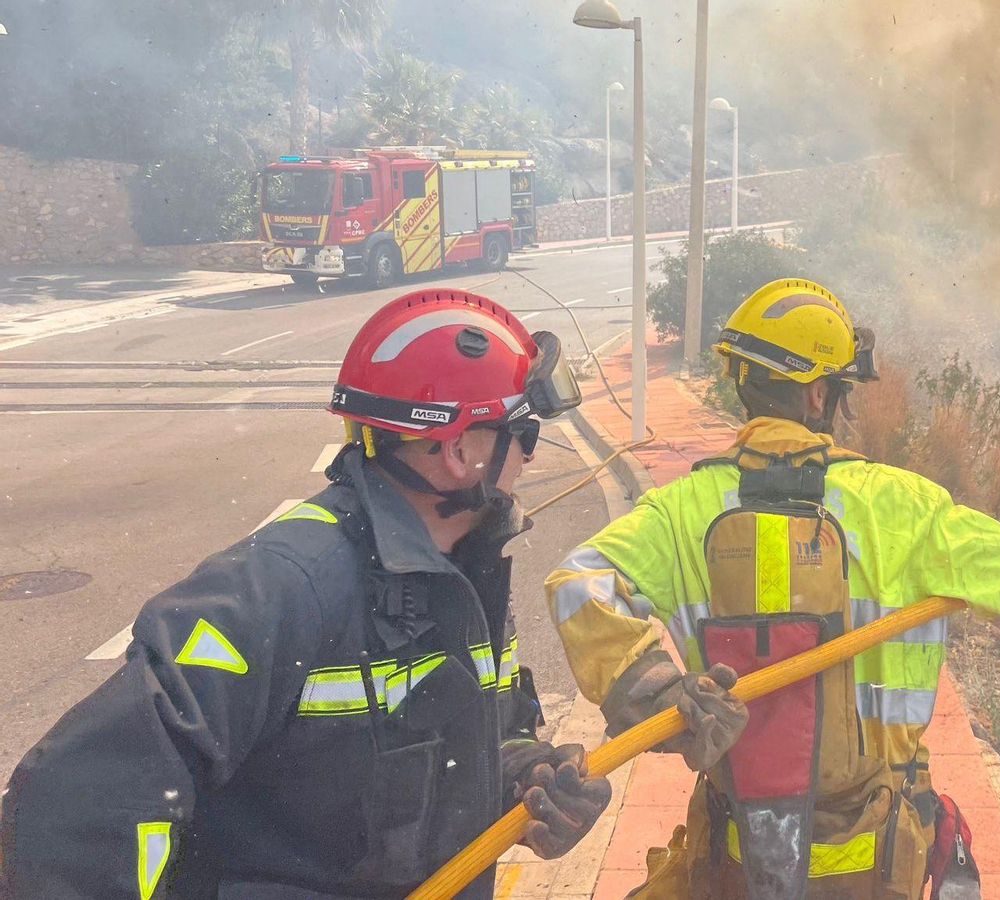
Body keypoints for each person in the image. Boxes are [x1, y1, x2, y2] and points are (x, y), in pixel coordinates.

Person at [545, 278, 1000, 898]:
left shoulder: (679, 512)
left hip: (741, 850)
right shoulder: (906, 507)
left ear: (741, 382)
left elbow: (577, 583)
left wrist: (654, 690)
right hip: (878, 854)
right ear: (820, 396)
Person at [0, 289, 613, 899]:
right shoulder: (279, 588)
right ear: (458, 452)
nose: (529, 458)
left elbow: (457, 736)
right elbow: (72, 814)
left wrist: (521, 776)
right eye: (523, 435)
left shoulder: (459, 571)